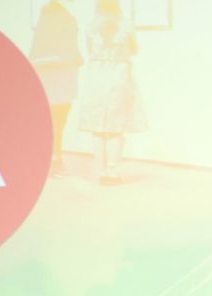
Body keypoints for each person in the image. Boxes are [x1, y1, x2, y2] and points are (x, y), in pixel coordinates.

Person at [76, 0, 147, 184]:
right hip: (118, 76)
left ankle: (101, 172)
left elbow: (89, 49)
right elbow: (134, 49)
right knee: (115, 127)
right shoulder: (125, 25)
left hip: (96, 77)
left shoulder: (91, 25)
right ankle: (112, 171)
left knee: (98, 128)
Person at [29, 0, 83, 175]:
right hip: (64, 76)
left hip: (46, 76)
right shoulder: (69, 20)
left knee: (48, 118)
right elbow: (74, 52)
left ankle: (50, 155)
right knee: (59, 120)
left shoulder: (42, 25)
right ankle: (55, 155)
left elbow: (33, 53)